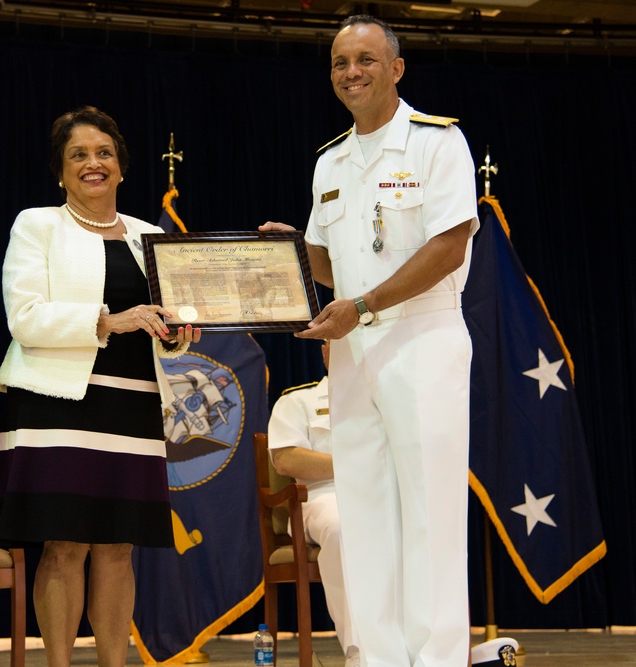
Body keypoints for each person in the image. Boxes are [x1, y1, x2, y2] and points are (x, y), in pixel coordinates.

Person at [261, 14, 479, 667]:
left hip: (423, 337)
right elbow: (330, 262)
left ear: (396, 67)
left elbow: (449, 245)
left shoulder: (438, 144)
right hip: (355, 352)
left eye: (365, 59)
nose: (351, 72)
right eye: (339, 63)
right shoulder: (330, 160)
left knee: (431, 513)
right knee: (365, 511)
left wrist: (363, 304)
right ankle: (380, 656)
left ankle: (438, 658)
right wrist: (286, 256)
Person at [0, 106, 201, 667]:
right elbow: (24, 317)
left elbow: (164, 333)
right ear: (60, 171)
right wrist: (107, 321)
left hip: (132, 408)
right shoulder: (37, 225)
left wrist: (177, 333)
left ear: (122, 167)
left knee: (119, 548)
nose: (93, 163)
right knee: (63, 545)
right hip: (55, 404)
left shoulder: (152, 237)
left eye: (103, 153)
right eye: (78, 155)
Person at [267, 340, 359, 667]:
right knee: (342, 524)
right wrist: (357, 464)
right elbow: (286, 460)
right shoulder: (299, 400)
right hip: (320, 497)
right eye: (342, 343)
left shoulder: (386, 398)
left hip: (382, 494)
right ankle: (360, 652)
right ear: (324, 351)